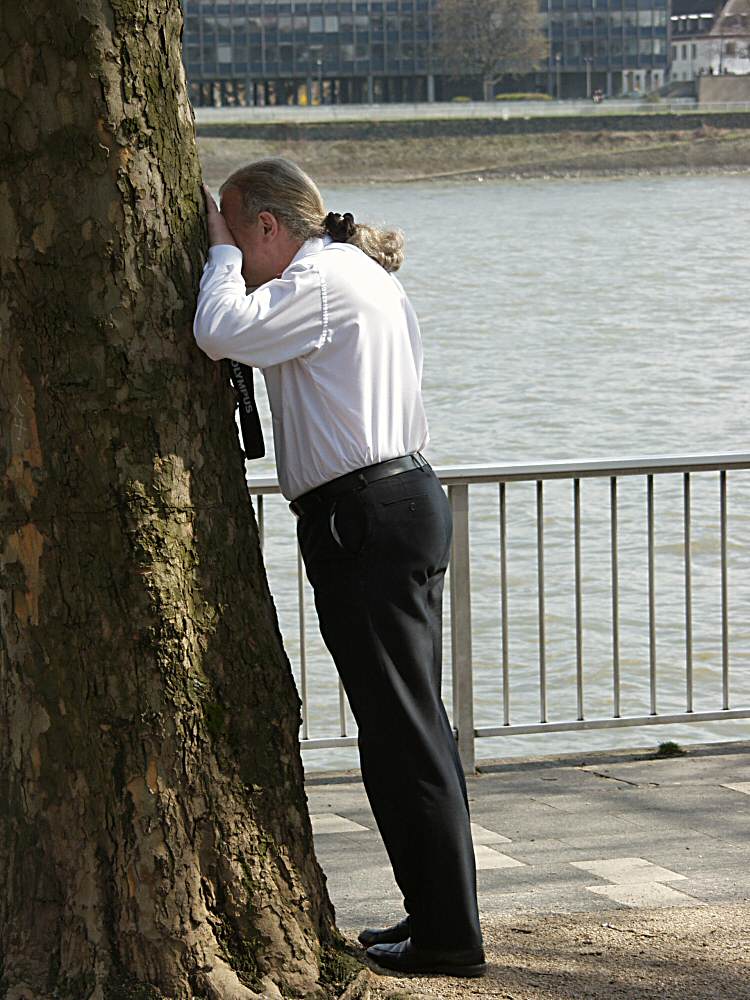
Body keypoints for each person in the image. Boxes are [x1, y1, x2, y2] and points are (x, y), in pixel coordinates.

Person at [193, 158, 485, 979]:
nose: (236, 257)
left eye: (236, 233)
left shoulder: (316, 282)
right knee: (414, 728)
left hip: (365, 518)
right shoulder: (351, 271)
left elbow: (216, 329)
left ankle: (449, 940)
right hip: (398, 505)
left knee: (401, 736)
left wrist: (217, 257)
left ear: (267, 227)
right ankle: (440, 917)